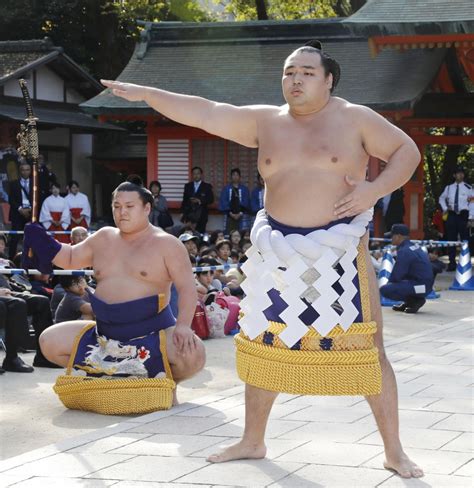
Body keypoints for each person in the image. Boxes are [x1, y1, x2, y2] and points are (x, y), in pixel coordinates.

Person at [101, 39, 423, 478]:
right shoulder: (266, 122)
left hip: (341, 254)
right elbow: (205, 110)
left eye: (308, 72)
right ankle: (253, 439)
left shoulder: (355, 119)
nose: (296, 78)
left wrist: (374, 189)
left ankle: (393, 450)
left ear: (329, 80)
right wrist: (149, 95)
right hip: (278, 255)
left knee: (370, 349)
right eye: (290, 72)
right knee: (262, 343)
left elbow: (408, 152)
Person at [23, 176, 205, 406]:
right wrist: (42, 240)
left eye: (130, 206)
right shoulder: (103, 237)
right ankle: (107, 378)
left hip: (151, 332)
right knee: (49, 340)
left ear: (147, 208)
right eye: (117, 206)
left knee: (193, 354)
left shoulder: (167, 244)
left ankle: (164, 382)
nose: (122, 212)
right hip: (104, 334)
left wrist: (183, 326)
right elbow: (69, 257)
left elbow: (187, 288)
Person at [0, 273, 57, 369]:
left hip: (4, 292)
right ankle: (12, 358)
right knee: (17, 304)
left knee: (41, 301)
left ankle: (44, 357)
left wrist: (5, 288)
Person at [380, 224, 434, 313]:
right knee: (400, 284)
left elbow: (397, 275)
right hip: (425, 286)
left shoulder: (404, 251)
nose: (391, 238)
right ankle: (409, 302)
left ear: (398, 236)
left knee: (385, 290)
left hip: (420, 287)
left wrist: (390, 284)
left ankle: (415, 301)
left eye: (392, 236)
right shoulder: (413, 246)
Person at [439, 166, 473, 271]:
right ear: (454, 175)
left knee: (465, 240)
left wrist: (471, 218)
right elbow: (441, 198)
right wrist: (445, 208)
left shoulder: (469, 188)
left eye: (462, 173)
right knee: (451, 239)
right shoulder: (449, 188)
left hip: (463, 214)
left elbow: (472, 203)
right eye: (458, 173)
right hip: (452, 214)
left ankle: (465, 263)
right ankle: (452, 263)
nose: (460, 175)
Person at [7, 161, 32, 259]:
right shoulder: (13, 183)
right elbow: (11, 199)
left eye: (27, 170)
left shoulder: (35, 183)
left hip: (31, 213)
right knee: (15, 238)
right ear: (20, 171)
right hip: (17, 213)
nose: (25, 172)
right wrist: (20, 209)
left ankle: (32, 259)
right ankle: (11, 260)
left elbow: (38, 198)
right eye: (23, 170)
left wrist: (30, 209)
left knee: (32, 238)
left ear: (30, 171)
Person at [181, 166, 214, 233]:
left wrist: (200, 201)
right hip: (189, 212)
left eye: (198, 173)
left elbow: (211, 199)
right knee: (189, 232)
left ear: (201, 175)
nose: (196, 175)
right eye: (194, 174)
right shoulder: (188, 186)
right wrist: (182, 212)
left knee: (200, 232)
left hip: (202, 213)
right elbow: (184, 200)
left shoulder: (207, 186)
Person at [219, 168, 250, 233]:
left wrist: (240, 213)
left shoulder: (244, 189)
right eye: (233, 175)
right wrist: (230, 213)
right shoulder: (226, 189)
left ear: (240, 177)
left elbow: (246, 201)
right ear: (231, 177)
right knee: (228, 232)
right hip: (229, 215)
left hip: (242, 214)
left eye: (237, 175)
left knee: (242, 233)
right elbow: (223, 201)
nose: (235, 177)